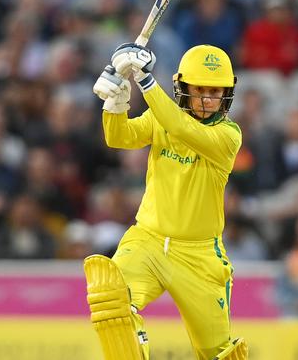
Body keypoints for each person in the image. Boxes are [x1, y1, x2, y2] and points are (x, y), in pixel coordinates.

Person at [85, 42, 247, 360]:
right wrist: (116, 103)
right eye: (199, 89)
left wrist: (144, 79)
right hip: (148, 241)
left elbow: (180, 127)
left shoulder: (229, 136)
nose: (206, 99)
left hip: (199, 256)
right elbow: (119, 137)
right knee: (113, 301)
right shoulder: (162, 117)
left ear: (227, 95)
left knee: (218, 353)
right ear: (182, 87)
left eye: (215, 92)